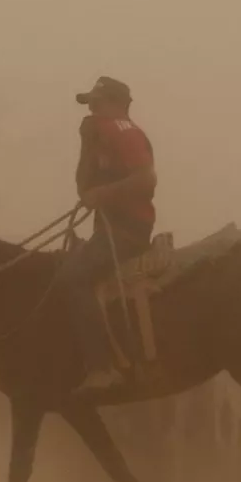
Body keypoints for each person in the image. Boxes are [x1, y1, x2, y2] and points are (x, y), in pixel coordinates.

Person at [57, 76, 158, 394]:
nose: (91, 110)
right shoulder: (101, 135)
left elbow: (147, 180)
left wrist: (104, 194)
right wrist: (87, 148)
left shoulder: (124, 132)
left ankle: (102, 368)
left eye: (97, 103)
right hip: (109, 228)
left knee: (73, 277)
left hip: (127, 229)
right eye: (90, 104)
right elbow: (86, 186)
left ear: (117, 105)